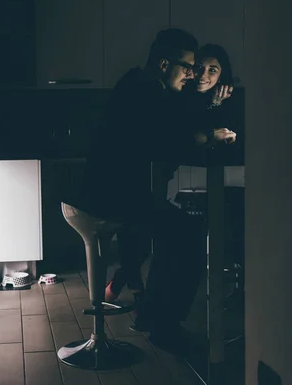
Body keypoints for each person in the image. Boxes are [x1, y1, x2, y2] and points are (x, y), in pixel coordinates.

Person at [64, 28, 237, 354]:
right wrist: (210, 135)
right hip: (110, 196)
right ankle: (165, 327)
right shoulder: (146, 92)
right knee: (188, 233)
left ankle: (153, 317)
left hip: (105, 191)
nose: (192, 73)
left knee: (172, 231)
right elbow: (169, 139)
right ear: (163, 64)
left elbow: (169, 130)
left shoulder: (139, 85)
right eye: (187, 66)